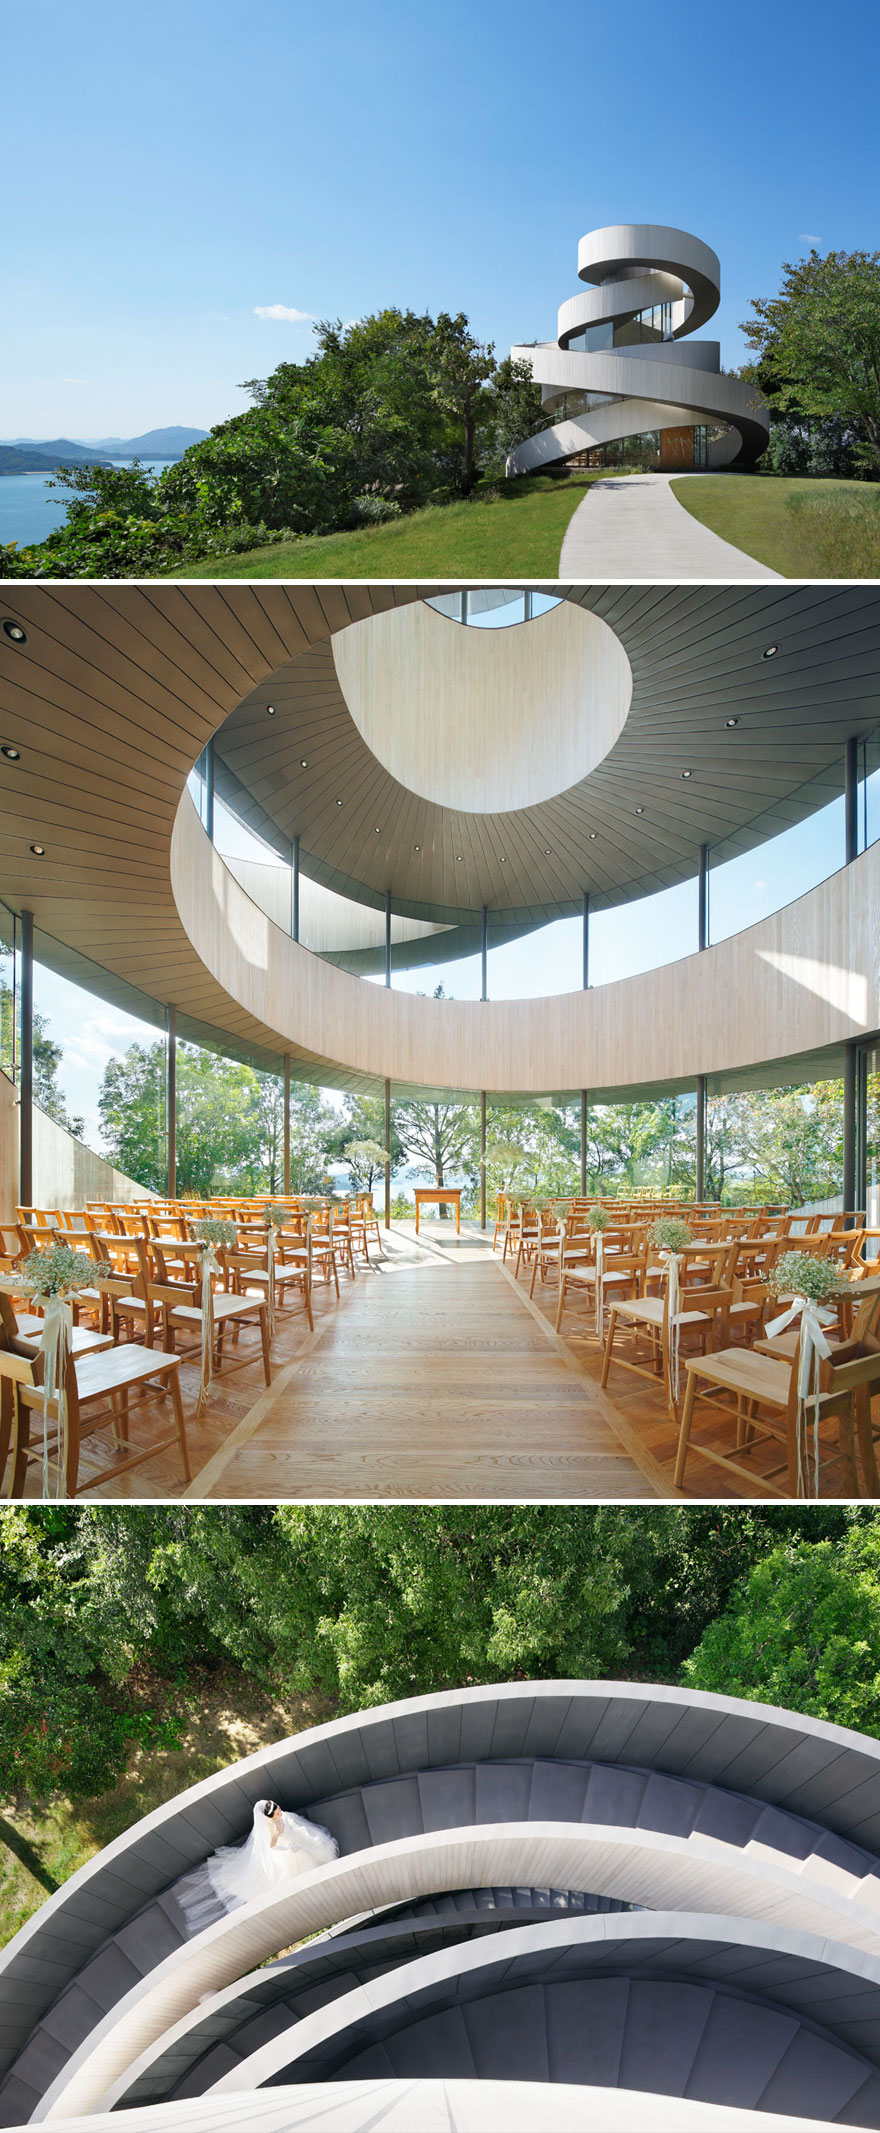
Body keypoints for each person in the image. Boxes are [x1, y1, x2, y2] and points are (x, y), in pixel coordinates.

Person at [176, 1796, 339, 1934]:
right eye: (277, 1813)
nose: (280, 1812)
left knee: (319, 1850)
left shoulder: (281, 1814)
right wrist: (290, 1847)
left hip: (299, 1838)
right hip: (292, 1848)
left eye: (278, 1808)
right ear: (270, 1817)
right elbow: (273, 1846)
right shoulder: (274, 1828)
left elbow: (285, 1818)